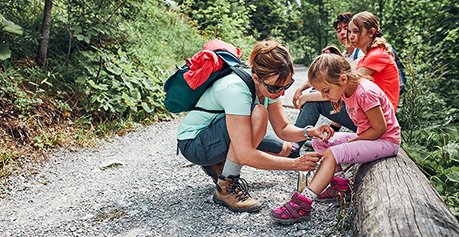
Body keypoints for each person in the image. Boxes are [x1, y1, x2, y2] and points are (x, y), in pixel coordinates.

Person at [177, 39, 334, 213]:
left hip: (217, 133)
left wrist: (310, 132)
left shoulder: (270, 85)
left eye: (287, 85)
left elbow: (282, 129)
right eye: (276, 88)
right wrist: (295, 164)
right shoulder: (236, 90)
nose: (282, 93)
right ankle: (226, 187)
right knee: (259, 114)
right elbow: (245, 155)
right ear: (256, 78)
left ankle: (219, 163)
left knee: (285, 149)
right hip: (194, 142)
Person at [270, 45, 401, 224]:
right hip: (371, 137)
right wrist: (307, 96)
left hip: (386, 141)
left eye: (326, 90)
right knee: (321, 141)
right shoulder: (345, 88)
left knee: (333, 152)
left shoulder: (365, 92)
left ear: (343, 78)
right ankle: (340, 186)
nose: (324, 95)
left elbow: (380, 129)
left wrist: (352, 142)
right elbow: (325, 96)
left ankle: (303, 202)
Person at [292, 12, 363, 150]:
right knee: (319, 90)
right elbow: (324, 76)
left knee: (315, 99)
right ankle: (302, 140)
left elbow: (346, 88)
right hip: (356, 111)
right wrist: (302, 88)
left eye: (346, 29)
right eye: (339, 30)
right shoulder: (346, 54)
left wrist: (306, 97)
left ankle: (294, 145)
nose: (343, 33)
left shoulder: (361, 54)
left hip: (370, 117)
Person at [348, 11, 400, 111]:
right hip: (372, 110)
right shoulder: (367, 57)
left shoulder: (377, 54)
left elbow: (350, 84)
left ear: (371, 32)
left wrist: (308, 97)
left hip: (382, 116)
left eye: (356, 31)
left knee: (316, 103)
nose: (351, 36)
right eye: (350, 32)